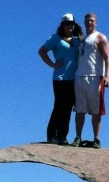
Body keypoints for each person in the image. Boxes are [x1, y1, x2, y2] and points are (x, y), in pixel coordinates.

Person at [38, 13, 83, 145]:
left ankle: (63, 136)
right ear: (62, 26)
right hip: (60, 78)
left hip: (73, 79)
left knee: (68, 107)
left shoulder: (76, 40)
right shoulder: (55, 38)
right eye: (67, 24)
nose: (70, 26)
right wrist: (52, 64)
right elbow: (42, 51)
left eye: (72, 24)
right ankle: (52, 135)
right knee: (59, 106)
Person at [70, 13, 109, 149]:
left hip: (95, 76)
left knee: (96, 110)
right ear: (84, 22)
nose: (89, 23)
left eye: (92, 21)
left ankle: (96, 139)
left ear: (96, 23)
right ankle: (77, 137)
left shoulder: (100, 37)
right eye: (87, 21)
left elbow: (107, 57)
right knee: (79, 109)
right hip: (80, 76)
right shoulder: (81, 39)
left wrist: (108, 75)